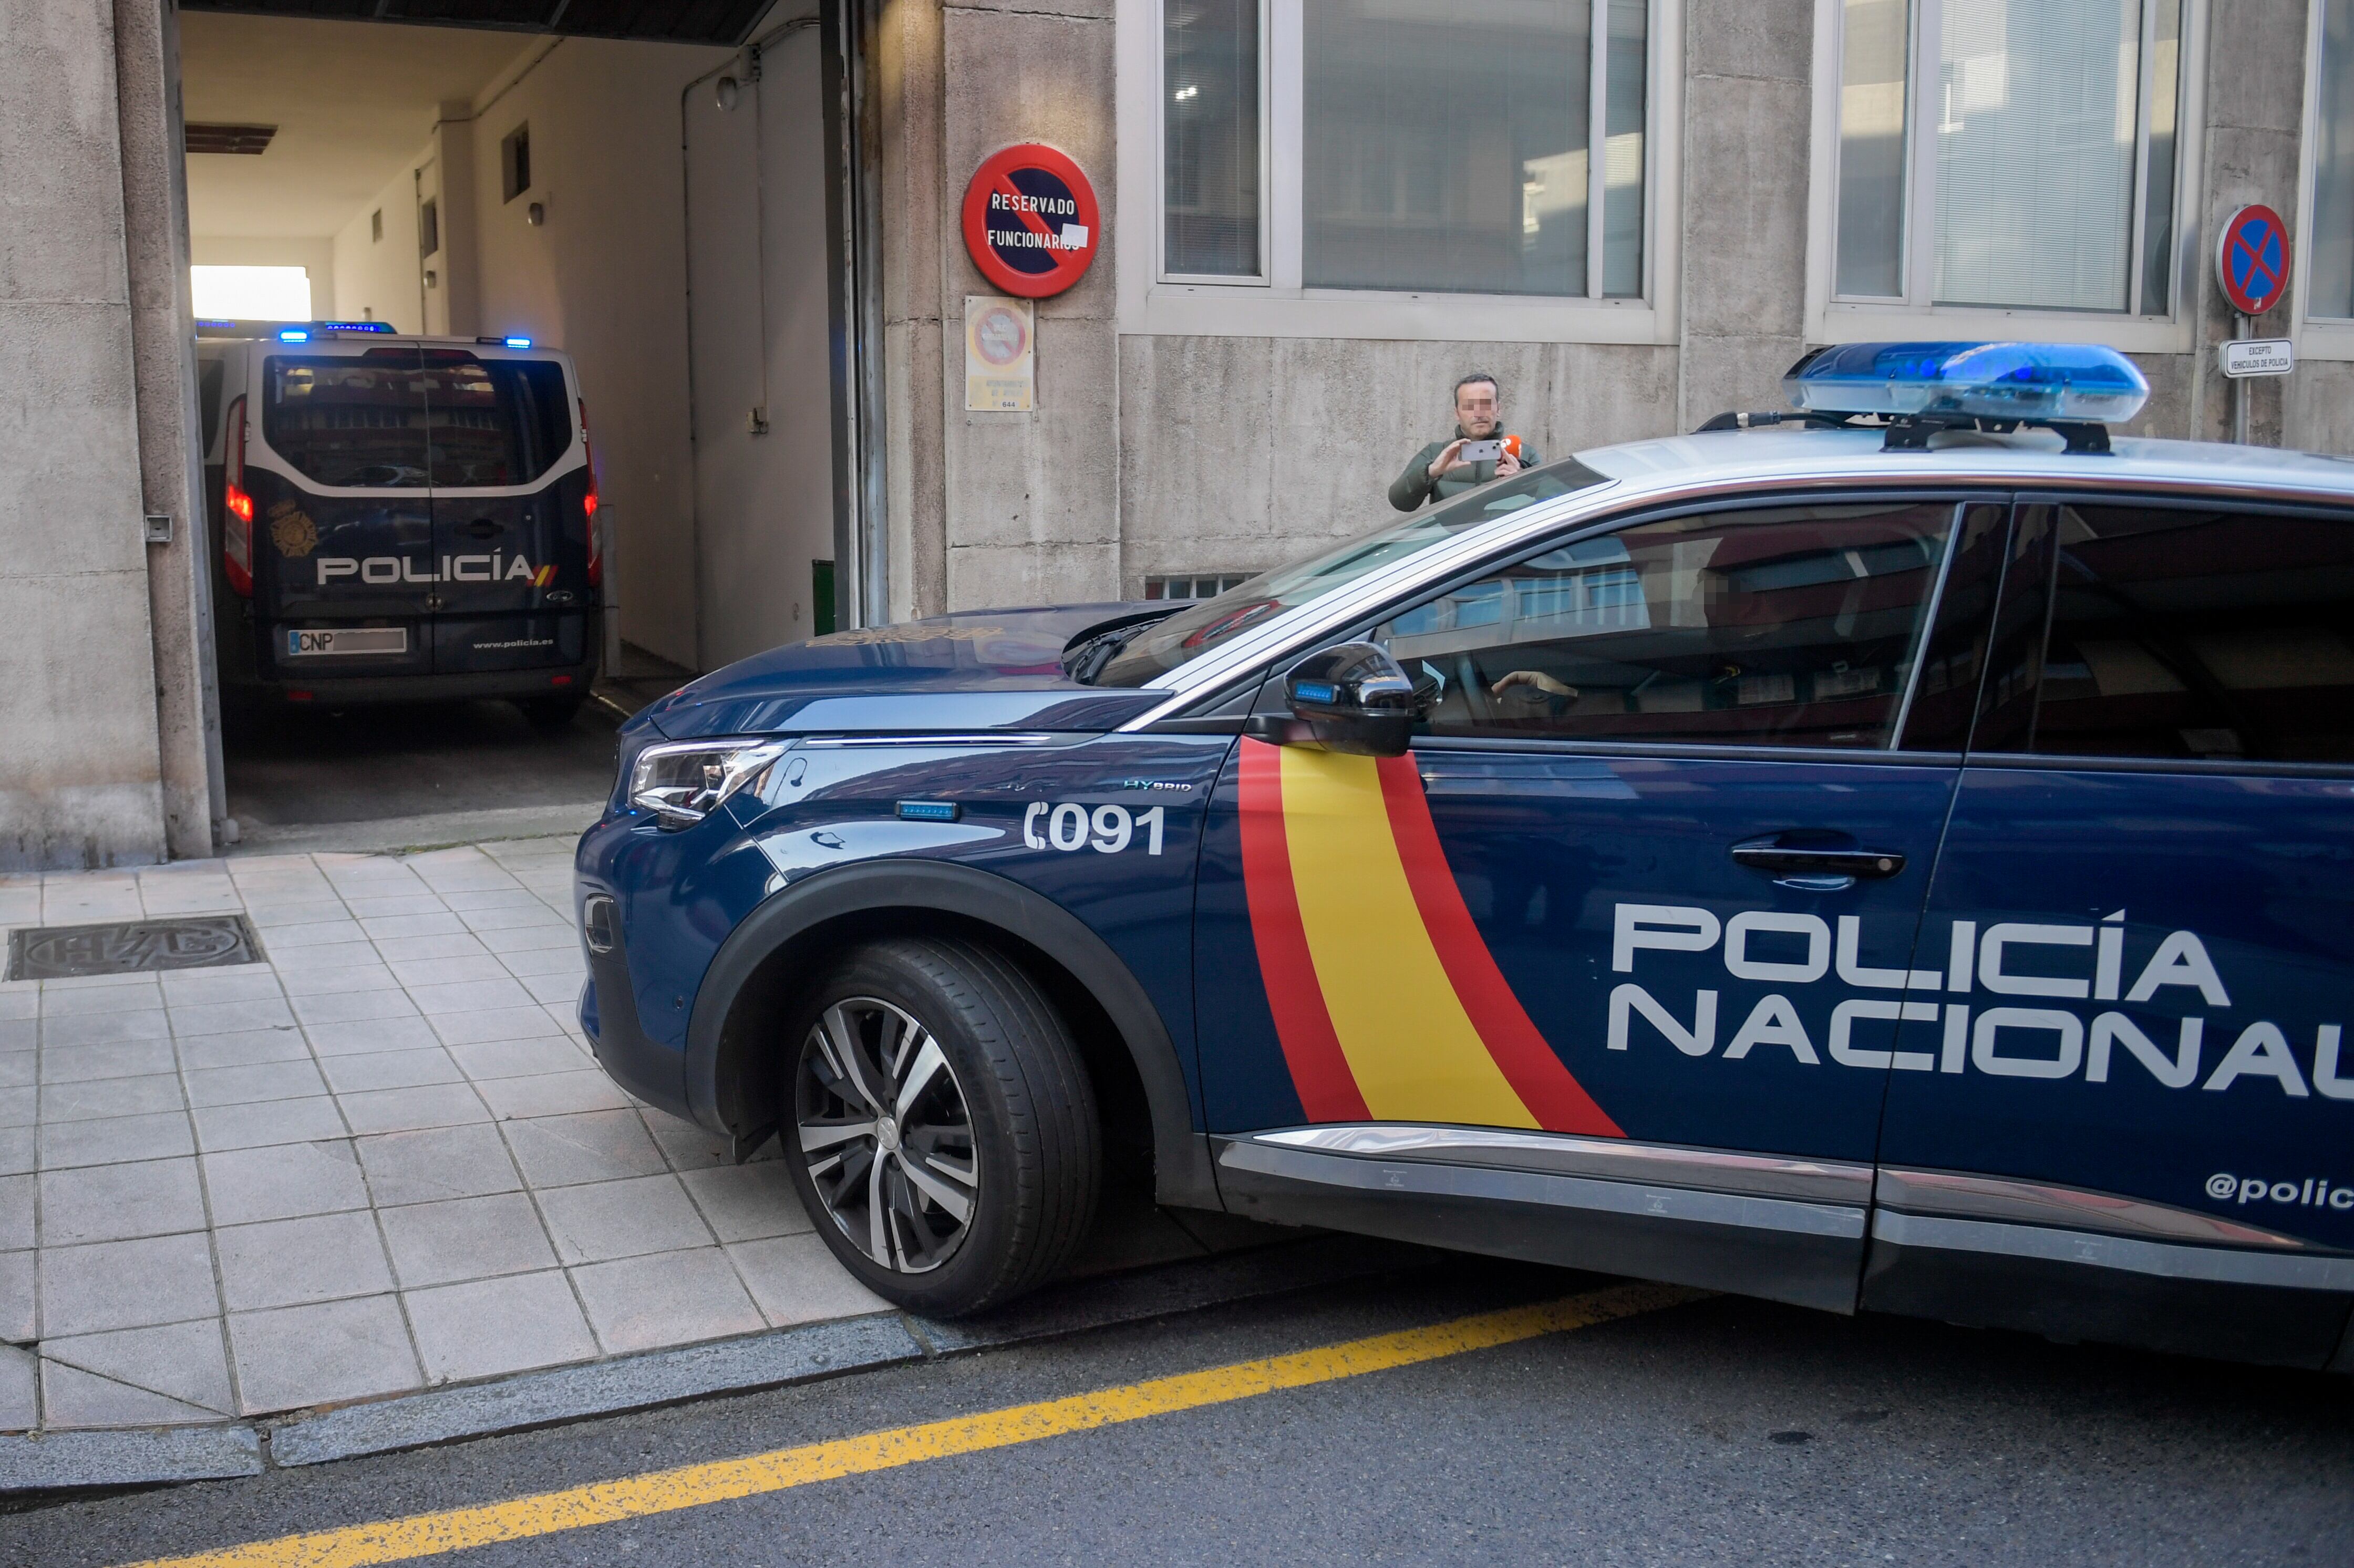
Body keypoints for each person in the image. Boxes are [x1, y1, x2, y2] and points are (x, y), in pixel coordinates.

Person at [1387, 372, 1542, 511]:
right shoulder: (1436, 453)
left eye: (1486, 404)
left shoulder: (1525, 454)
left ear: (1498, 409)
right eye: (1469, 406)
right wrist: (1431, 472)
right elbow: (1400, 502)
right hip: (1454, 543)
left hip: (1504, 542)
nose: (1479, 413)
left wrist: (1524, 480)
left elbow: (1553, 503)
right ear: (1457, 413)